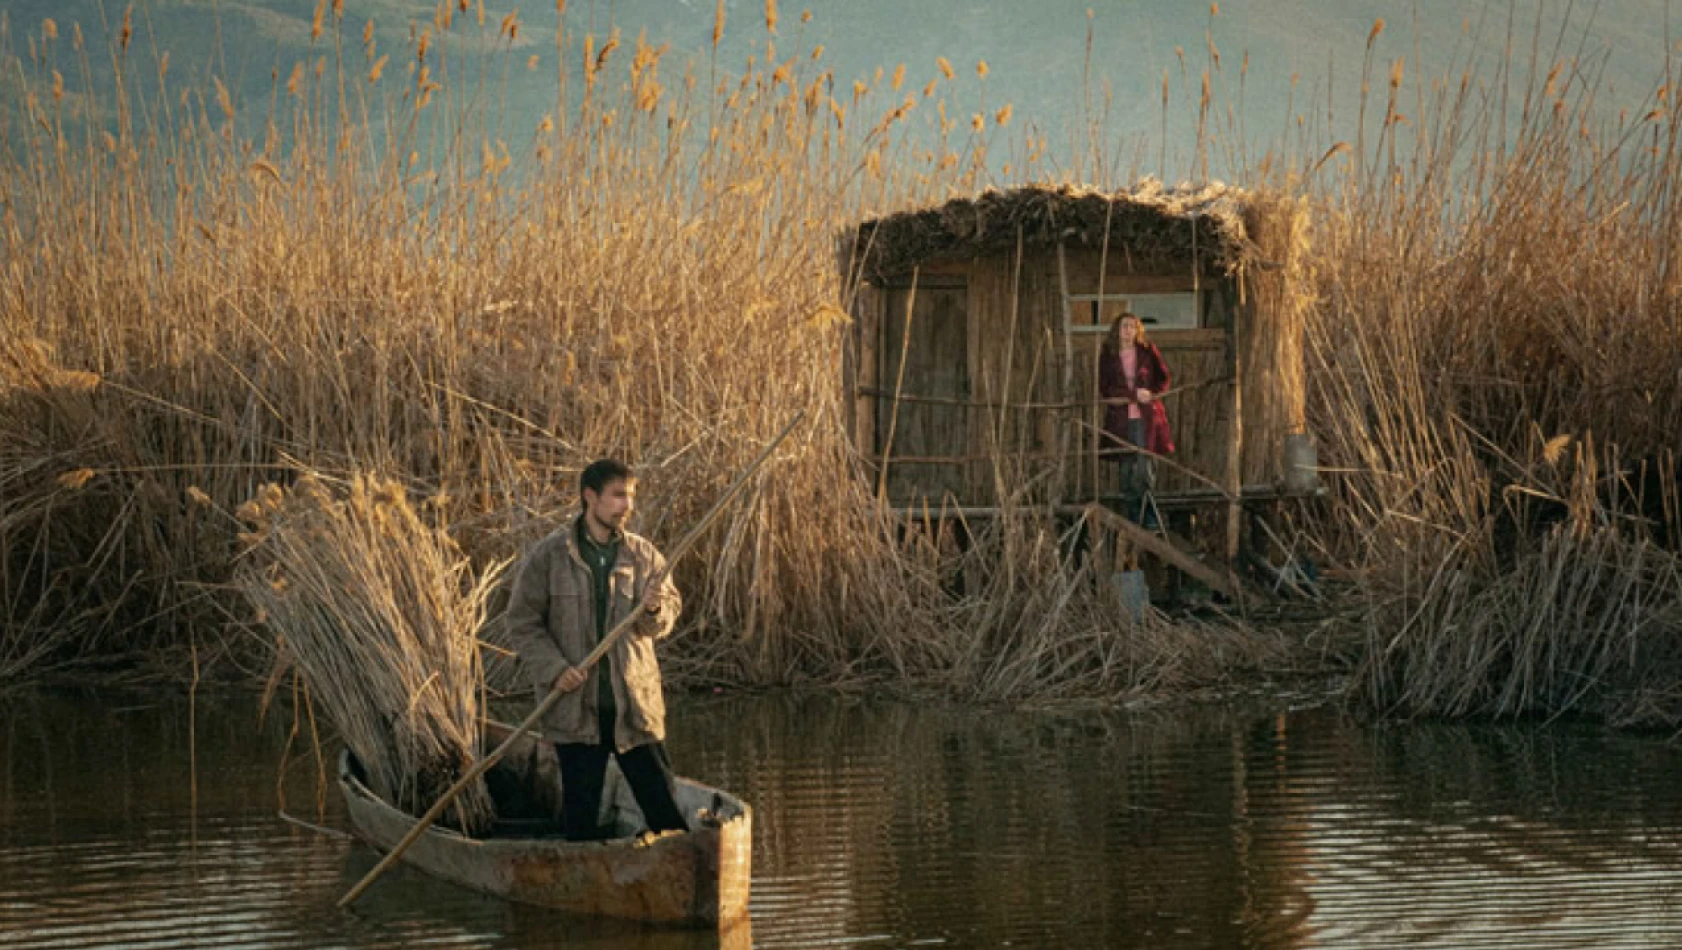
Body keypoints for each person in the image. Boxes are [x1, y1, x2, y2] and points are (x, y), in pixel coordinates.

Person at [503, 459, 688, 840]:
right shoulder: (549, 558)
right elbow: (522, 623)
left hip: (634, 711)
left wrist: (654, 608)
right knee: (581, 826)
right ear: (590, 497)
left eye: (631, 496)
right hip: (575, 713)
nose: (627, 505)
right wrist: (556, 669)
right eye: (618, 496)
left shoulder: (643, 556)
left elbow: (663, 621)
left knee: (667, 820)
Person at [1097, 312, 1174, 525]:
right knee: (1126, 465)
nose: (1128, 330)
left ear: (1138, 330)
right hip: (1121, 418)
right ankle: (1132, 513)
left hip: (1146, 417)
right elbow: (1105, 388)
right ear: (1117, 330)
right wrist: (1132, 396)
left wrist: (1151, 393)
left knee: (1144, 466)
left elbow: (1164, 378)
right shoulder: (1109, 354)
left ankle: (1147, 514)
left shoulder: (1147, 351)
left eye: (1132, 326)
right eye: (1124, 326)